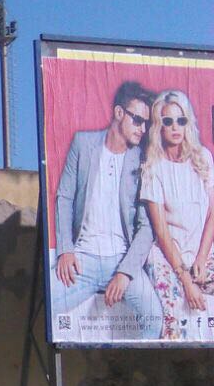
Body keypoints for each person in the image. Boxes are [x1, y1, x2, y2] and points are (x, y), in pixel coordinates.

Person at [50, 80, 162, 337]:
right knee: (47, 306)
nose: (142, 129)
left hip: (122, 258)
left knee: (154, 318)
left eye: (146, 123)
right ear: (119, 113)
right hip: (82, 260)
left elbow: (147, 227)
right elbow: (64, 197)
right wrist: (65, 249)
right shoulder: (83, 144)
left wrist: (125, 272)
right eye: (137, 120)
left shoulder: (142, 159)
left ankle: (134, 365)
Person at [139, 89, 214, 340]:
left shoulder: (203, 157)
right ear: (158, 126)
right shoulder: (153, 167)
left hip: (203, 251)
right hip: (168, 256)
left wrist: (201, 258)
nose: (175, 127)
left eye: (181, 120)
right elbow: (161, 232)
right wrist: (186, 280)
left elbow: (213, 213)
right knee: (172, 316)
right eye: (168, 121)